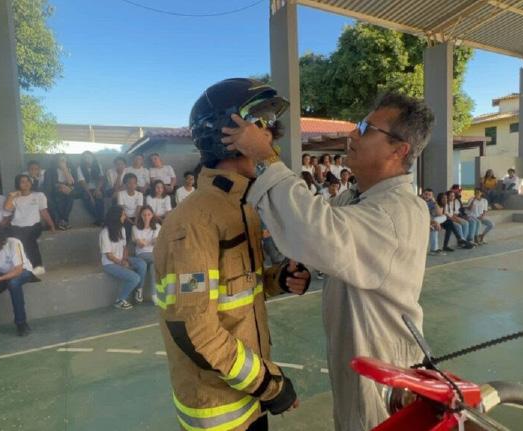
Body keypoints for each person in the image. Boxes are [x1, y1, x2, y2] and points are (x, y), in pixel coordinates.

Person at [223, 89, 436, 430]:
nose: (353, 133)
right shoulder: (358, 197)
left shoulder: (395, 213)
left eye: (365, 129)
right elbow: (322, 231)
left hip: (384, 366)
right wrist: (306, 267)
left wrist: (265, 156)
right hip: (360, 352)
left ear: (399, 150)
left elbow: (315, 230)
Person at [156, 78, 310, 431]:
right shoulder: (193, 222)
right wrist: (270, 385)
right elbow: (195, 330)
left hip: (249, 403)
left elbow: (236, 290)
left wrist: (278, 279)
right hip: (218, 414)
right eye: (260, 128)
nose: (269, 140)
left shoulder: (239, 207)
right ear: (227, 135)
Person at [5, 174, 56, 276]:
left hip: (34, 226)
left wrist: (51, 225)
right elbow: (7, 208)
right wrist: (12, 196)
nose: (26, 183)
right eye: (22, 182)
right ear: (18, 184)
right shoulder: (15, 198)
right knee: (13, 241)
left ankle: (38, 266)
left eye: (28, 181)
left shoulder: (39, 195)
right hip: (17, 226)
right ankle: (20, 267)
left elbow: (43, 211)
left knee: (28, 239)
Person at [100, 206, 147, 309]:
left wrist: (125, 259)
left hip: (121, 259)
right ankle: (119, 300)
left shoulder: (122, 229)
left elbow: (125, 247)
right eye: (123, 215)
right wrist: (121, 263)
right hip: (110, 264)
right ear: (116, 217)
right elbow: (109, 255)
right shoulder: (105, 232)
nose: (125, 216)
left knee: (142, 264)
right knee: (135, 278)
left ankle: (139, 290)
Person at [131, 205, 159, 304]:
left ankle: (153, 295)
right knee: (159, 260)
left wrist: (144, 241)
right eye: (144, 215)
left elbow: (155, 242)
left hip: (153, 254)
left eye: (149, 214)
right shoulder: (135, 228)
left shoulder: (157, 227)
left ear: (152, 215)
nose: (147, 217)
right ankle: (143, 291)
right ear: (141, 216)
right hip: (141, 254)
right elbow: (140, 245)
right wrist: (147, 242)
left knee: (153, 267)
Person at [45, 155, 76, 230]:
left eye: (64, 160)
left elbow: (71, 183)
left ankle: (63, 221)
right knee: (58, 197)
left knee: (70, 195)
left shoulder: (70, 170)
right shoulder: (50, 171)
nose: (63, 161)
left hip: (67, 190)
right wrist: (60, 186)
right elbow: (49, 186)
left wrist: (65, 169)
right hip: (54, 191)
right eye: (61, 160)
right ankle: (63, 221)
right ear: (56, 161)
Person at [77, 151, 105, 226]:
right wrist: (91, 196)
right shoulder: (80, 168)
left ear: (92, 157)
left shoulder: (98, 165)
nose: (87, 159)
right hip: (86, 189)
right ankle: (100, 219)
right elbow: (82, 182)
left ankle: (99, 220)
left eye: (89, 157)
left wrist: (98, 190)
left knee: (99, 197)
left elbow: (101, 179)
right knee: (87, 199)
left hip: (97, 188)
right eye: (85, 157)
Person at [421, 189, 446, 256]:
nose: (427, 196)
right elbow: (422, 216)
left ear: (432, 196)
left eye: (429, 195)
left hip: (429, 221)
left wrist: (435, 202)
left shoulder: (431, 203)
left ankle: (434, 249)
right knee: (434, 227)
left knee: (444, 217)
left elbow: (439, 214)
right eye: (426, 194)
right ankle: (434, 249)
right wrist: (435, 222)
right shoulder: (420, 202)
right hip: (420, 221)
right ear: (422, 194)